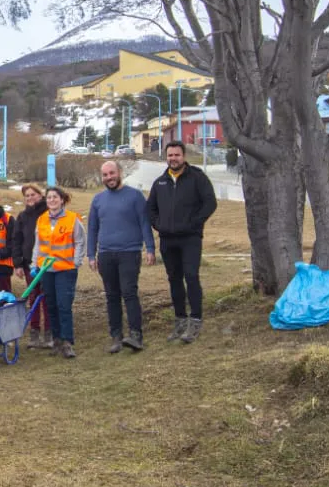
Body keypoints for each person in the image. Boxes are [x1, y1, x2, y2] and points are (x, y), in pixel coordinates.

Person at [147, 141, 218, 343]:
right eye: (170, 155)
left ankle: (195, 320)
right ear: (166, 157)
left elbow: (210, 203)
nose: (173, 159)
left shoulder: (197, 177)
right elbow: (150, 209)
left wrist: (194, 223)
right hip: (168, 240)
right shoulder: (160, 182)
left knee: (191, 276)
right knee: (174, 279)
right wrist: (158, 224)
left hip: (190, 238)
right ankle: (180, 320)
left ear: (184, 156)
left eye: (177, 155)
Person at [87, 161, 155, 353]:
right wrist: (91, 254)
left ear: (120, 173)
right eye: (105, 175)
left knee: (129, 292)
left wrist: (150, 248)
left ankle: (136, 335)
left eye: (112, 173)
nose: (109, 177)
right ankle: (116, 336)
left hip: (129, 252)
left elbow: (144, 223)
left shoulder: (135, 196)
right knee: (111, 296)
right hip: (106, 255)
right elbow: (92, 228)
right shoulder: (98, 200)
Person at [32, 186, 86, 358]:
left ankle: (67, 342)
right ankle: (56, 340)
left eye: (55, 197)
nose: (52, 200)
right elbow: (38, 245)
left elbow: (80, 241)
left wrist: (76, 262)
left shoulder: (72, 219)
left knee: (64, 305)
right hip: (46, 270)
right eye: (49, 198)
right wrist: (35, 265)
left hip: (65, 269)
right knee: (51, 305)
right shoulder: (41, 220)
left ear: (62, 200)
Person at [12, 183, 49, 347]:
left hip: (47, 263)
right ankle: (34, 332)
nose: (30, 198)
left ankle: (49, 332)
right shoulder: (22, 217)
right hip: (29, 264)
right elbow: (17, 240)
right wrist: (18, 263)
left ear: (40, 196)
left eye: (32, 194)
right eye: (26, 196)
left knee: (48, 297)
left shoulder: (48, 213)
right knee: (33, 296)